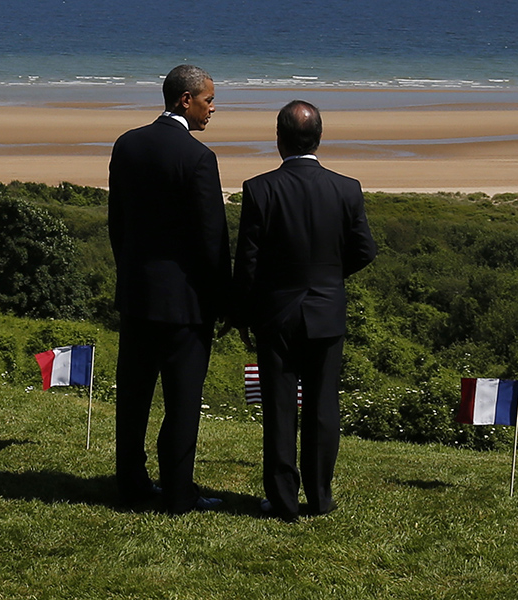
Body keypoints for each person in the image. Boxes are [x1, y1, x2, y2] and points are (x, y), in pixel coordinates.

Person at [232, 100, 376, 522]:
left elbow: (248, 261)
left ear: (278, 139)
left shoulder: (260, 188)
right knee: (322, 406)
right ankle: (320, 496)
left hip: (276, 312)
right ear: (319, 138)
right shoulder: (346, 187)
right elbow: (365, 250)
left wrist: (240, 313)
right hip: (326, 310)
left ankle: (282, 499)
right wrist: (330, 276)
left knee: (279, 408)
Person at [108, 64, 231, 513]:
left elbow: (117, 222)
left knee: (134, 397)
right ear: (186, 99)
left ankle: (131, 485)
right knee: (182, 402)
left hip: (138, 296)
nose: (212, 109)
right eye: (209, 100)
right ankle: (178, 491)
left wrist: (130, 274)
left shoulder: (127, 145)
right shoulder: (199, 158)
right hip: (185, 304)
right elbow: (212, 239)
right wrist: (221, 301)